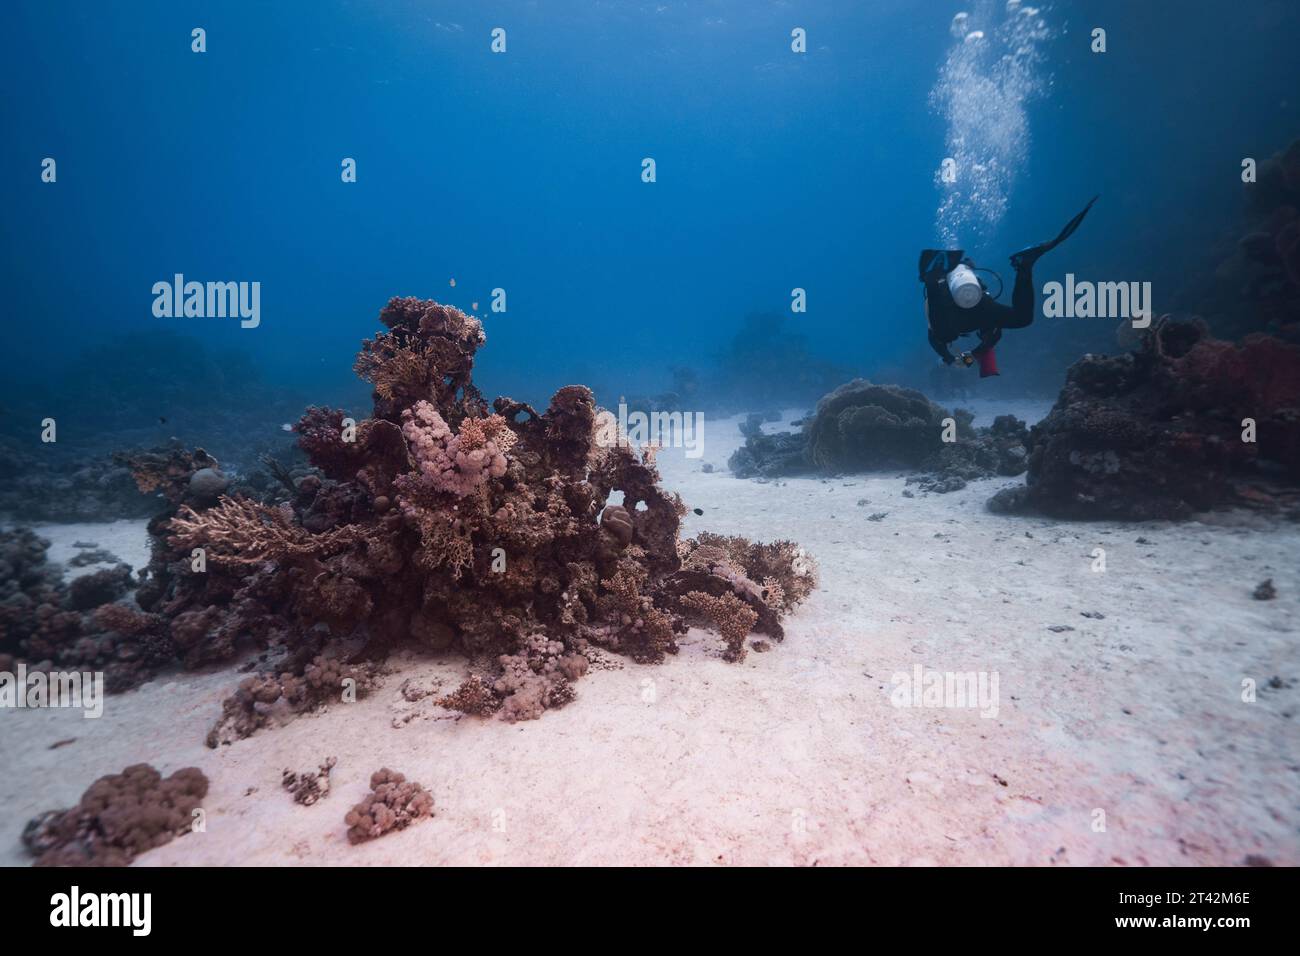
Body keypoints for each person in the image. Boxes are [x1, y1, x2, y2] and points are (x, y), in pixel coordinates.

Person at [920, 196, 1097, 377]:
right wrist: (965, 358)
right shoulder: (988, 326)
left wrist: (950, 359)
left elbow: (935, 338)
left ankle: (933, 281)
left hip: (952, 309)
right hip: (981, 303)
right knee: (1021, 318)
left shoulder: (971, 328)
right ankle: (1023, 266)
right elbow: (987, 342)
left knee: (944, 334)